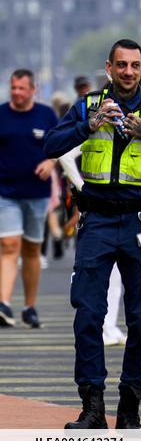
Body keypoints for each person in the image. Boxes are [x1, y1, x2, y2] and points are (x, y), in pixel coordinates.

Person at [43, 39, 141, 429]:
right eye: (121, 65)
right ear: (108, 67)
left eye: (135, 66)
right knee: (88, 315)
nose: (128, 72)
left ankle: (130, 408)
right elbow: (50, 145)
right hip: (97, 221)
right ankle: (92, 406)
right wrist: (86, 125)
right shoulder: (88, 106)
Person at [0, 69, 58, 328]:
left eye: (22, 88)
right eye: (13, 88)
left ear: (33, 89)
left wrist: (50, 161)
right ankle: (4, 304)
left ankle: (29, 306)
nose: (16, 93)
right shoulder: (1, 114)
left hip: (37, 193)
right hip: (6, 193)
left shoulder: (46, 115)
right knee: (9, 244)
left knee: (32, 249)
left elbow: (60, 146)